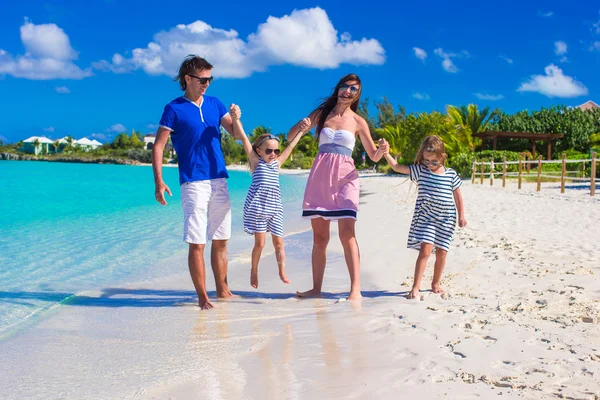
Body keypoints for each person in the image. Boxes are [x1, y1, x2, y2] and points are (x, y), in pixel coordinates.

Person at [152, 55, 246, 310]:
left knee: (222, 238)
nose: (207, 83)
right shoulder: (173, 109)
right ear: (187, 79)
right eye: (203, 79)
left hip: (219, 178)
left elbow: (236, 136)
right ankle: (203, 297)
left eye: (210, 79)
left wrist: (236, 118)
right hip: (193, 181)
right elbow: (158, 147)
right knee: (197, 242)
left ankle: (223, 291)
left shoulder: (216, 104)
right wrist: (159, 182)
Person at [286, 74, 389, 300]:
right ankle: (316, 289)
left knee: (347, 234)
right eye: (345, 87)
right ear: (338, 88)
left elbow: (373, 156)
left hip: (346, 178)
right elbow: (290, 135)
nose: (348, 91)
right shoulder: (321, 114)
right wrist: (300, 126)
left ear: (357, 95)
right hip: (320, 177)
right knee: (320, 238)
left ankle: (355, 290)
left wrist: (383, 149)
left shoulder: (359, 122)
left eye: (354, 89)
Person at [382, 135, 467, 299]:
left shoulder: (450, 174)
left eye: (434, 162)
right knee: (425, 250)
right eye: (426, 161)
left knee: (442, 252)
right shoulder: (420, 170)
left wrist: (461, 216)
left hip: (446, 220)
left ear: (443, 157)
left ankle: (435, 283)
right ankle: (416, 287)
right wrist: (386, 153)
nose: (430, 165)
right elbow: (397, 167)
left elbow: (458, 196)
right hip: (426, 219)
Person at [232, 117, 312, 288]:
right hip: (259, 210)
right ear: (259, 151)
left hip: (275, 209)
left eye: (276, 151)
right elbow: (245, 139)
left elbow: (291, 146)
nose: (273, 154)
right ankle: (254, 270)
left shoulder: (277, 164)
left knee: (279, 243)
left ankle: (282, 270)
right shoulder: (256, 163)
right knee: (260, 244)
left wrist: (302, 130)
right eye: (269, 151)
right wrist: (236, 119)